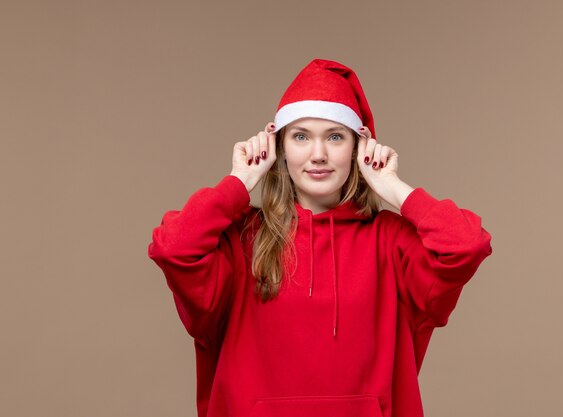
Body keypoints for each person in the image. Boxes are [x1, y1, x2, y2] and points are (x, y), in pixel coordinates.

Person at [147, 58, 493, 417]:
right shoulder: (242, 240)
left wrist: (392, 187)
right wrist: (238, 182)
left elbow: (467, 244)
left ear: (359, 148)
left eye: (335, 137)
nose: (318, 155)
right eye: (300, 137)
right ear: (278, 147)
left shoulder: (390, 242)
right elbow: (173, 248)